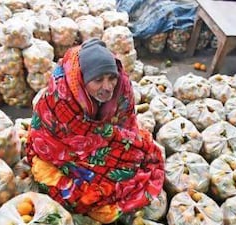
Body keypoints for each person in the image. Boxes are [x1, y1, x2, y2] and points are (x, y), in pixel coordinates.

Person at [26, 38, 164, 224]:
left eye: (111, 78)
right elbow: (47, 134)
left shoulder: (122, 87)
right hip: (64, 147)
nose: (107, 87)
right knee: (71, 188)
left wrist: (107, 138)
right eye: (98, 80)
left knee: (136, 162)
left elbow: (127, 124)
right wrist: (89, 145)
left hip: (102, 140)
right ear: (82, 79)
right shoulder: (61, 96)